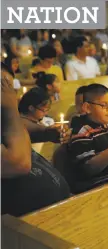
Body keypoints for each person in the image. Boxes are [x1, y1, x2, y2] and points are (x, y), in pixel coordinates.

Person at [1, 64, 70, 217]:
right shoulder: (9, 110)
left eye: (10, 87)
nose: (9, 93)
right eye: (3, 86)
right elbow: (19, 164)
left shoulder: (7, 117)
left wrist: (46, 132)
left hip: (55, 212)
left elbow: (16, 126)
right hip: (20, 228)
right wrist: (12, 106)